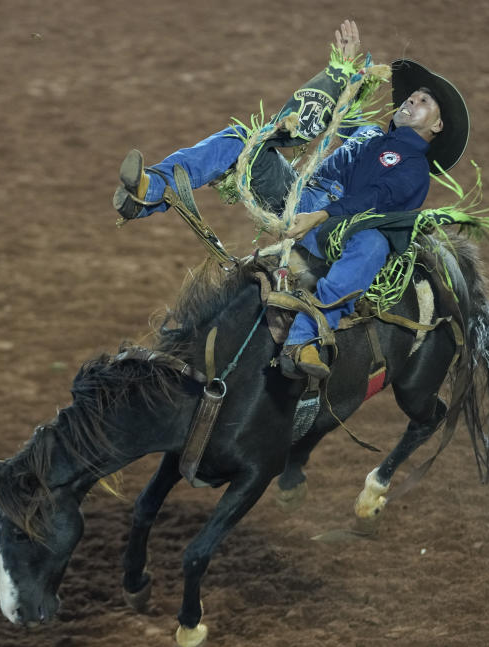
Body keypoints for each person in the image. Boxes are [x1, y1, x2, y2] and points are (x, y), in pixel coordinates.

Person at [112, 21, 469, 380]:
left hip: (338, 229)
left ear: (436, 127)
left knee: (373, 244)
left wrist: (320, 216)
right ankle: (150, 192)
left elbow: (374, 199)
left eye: (424, 102)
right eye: (412, 96)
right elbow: (325, 113)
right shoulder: (368, 132)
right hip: (300, 193)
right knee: (240, 138)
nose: (412, 100)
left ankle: (306, 338)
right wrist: (340, 73)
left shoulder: (415, 170)